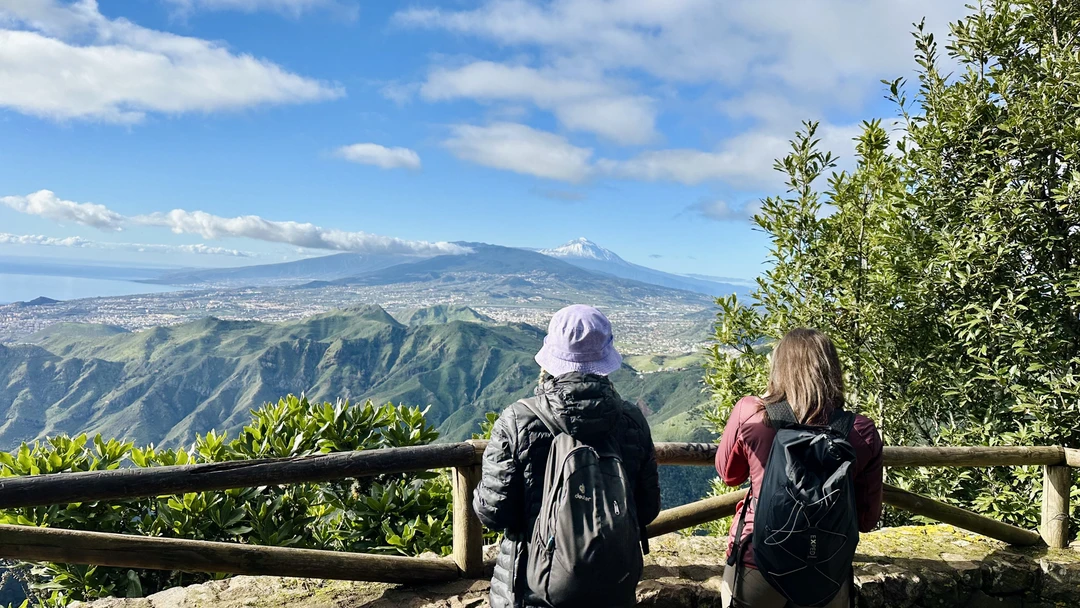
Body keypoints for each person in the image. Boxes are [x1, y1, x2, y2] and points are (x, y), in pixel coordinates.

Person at [473, 304, 662, 608]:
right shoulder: (632, 421)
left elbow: (495, 512)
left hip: (532, 587)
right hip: (613, 587)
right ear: (606, 360)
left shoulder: (517, 420)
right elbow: (647, 507)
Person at [716, 328, 884, 608]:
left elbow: (729, 475)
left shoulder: (751, 413)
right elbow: (867, 520)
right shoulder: (861, 431)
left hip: (758, 562)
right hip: (826, 572)